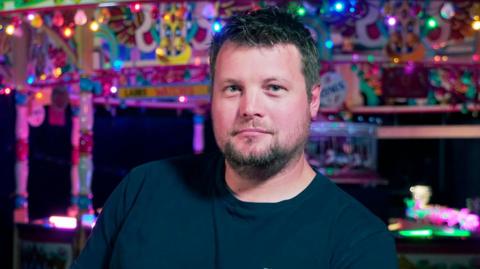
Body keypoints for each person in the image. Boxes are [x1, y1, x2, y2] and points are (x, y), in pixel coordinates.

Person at [71, 7, 398, 269]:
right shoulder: (142, 190)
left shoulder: (358, 242)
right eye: (232, 89)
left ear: (313, 100)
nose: (249, 108)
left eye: (274, 88)